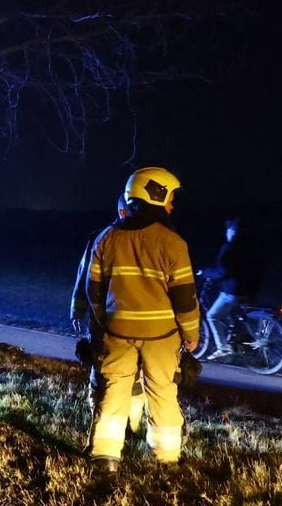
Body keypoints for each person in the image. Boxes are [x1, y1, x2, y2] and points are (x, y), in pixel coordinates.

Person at [85, 167, 199, 471]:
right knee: (162, 392)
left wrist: (104, 323)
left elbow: (93, 290)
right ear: (156, 195)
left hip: (117, 334)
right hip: (161, 338)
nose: (172, 205)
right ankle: (167, 458)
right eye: (170, 198)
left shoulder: (106, 238)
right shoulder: (173, 242)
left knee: (113, 391)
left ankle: (105, 457)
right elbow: (185, 298)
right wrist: (191, 334)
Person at [71, 196, 146, 435]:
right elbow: (85, 276)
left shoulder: (145, 239)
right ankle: (103, 424)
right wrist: (77, 308)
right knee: (102, 369)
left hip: (124, 321)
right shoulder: (102, 239)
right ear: (123, 213)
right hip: (107, 321)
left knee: (133, 374)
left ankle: (130, 426)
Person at [205, 217, 265, 360]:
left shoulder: (229, 248)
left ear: (231, 231)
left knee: (212, 316)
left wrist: (204, 273)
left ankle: (222, 348)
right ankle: (241, 345)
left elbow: (222, 272)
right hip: (251, 289)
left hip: (234, 291)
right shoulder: (251, 247)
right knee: (236, 315)